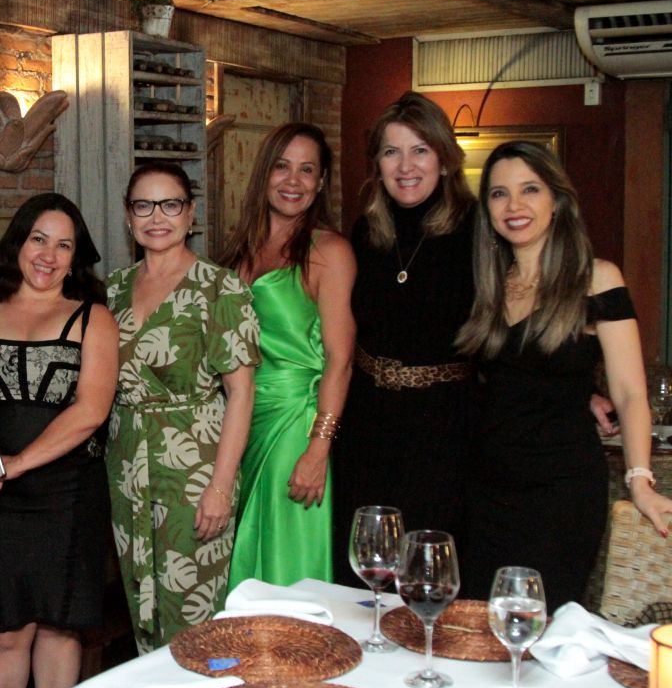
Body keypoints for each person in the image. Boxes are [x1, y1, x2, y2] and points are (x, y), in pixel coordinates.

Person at [456, 141, 672, 608]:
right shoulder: (487, 285)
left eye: (530, 189)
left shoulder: (597, 279)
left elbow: (630, 392)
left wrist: (639, 479)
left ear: (557, 199)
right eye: (498, 194)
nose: (514, 205)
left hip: (560, 494)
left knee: (543, 630)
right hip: (486, 489)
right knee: (476, 628)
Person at [0, 192, 118, 688]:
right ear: (17, 241)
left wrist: (13, 465)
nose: (48, 255)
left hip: (69, 494)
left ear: (76, 256)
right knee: (4, 631)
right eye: (39, 239)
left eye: (64, 245)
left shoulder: (93, 318)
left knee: (60, 627)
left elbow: (91, 411)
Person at [106, 163, 258, 651]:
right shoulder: (112, 289)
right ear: (128, 216)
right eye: (143, 206)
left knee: (194, 616)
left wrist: (221, 487)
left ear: (191, 214)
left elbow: (242, 393)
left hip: (195, 467)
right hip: (126, 466)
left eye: (170, 204)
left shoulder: (220, 287)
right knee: (139, 609)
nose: (157, 217)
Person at [329, 92, 479, 585]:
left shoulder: (478, 229)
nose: (406, 166)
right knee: (363, 567)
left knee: (428, 571)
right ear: (377, 163)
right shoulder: (367, 232)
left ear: (444, 158)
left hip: (444, 426)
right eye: (391, 152)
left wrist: (584, 388)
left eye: (420, 150)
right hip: (367, 423)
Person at [219, 124, 355, 587]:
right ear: (264, 173)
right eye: (282, 166)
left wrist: (318, 449)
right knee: (245, 553)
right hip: (243, 421)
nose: (293, 180)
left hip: (295, 425)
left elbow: (340, 360)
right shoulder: (239, 250)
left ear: (321, 182)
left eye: (307, 170)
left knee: (283, 562)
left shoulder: (328, 251)